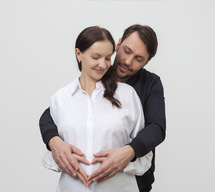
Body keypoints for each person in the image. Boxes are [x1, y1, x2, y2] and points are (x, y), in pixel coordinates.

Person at [40, 24, 166, 192]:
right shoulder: (96, 73)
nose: (128, 61)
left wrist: (129, 152)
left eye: (138, 58)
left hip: (133, 180)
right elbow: (53, 113)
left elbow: (156, 127)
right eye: (127, 51)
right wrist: (54, 141)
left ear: (147, 62)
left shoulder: (145, 86)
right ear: (118, 45)